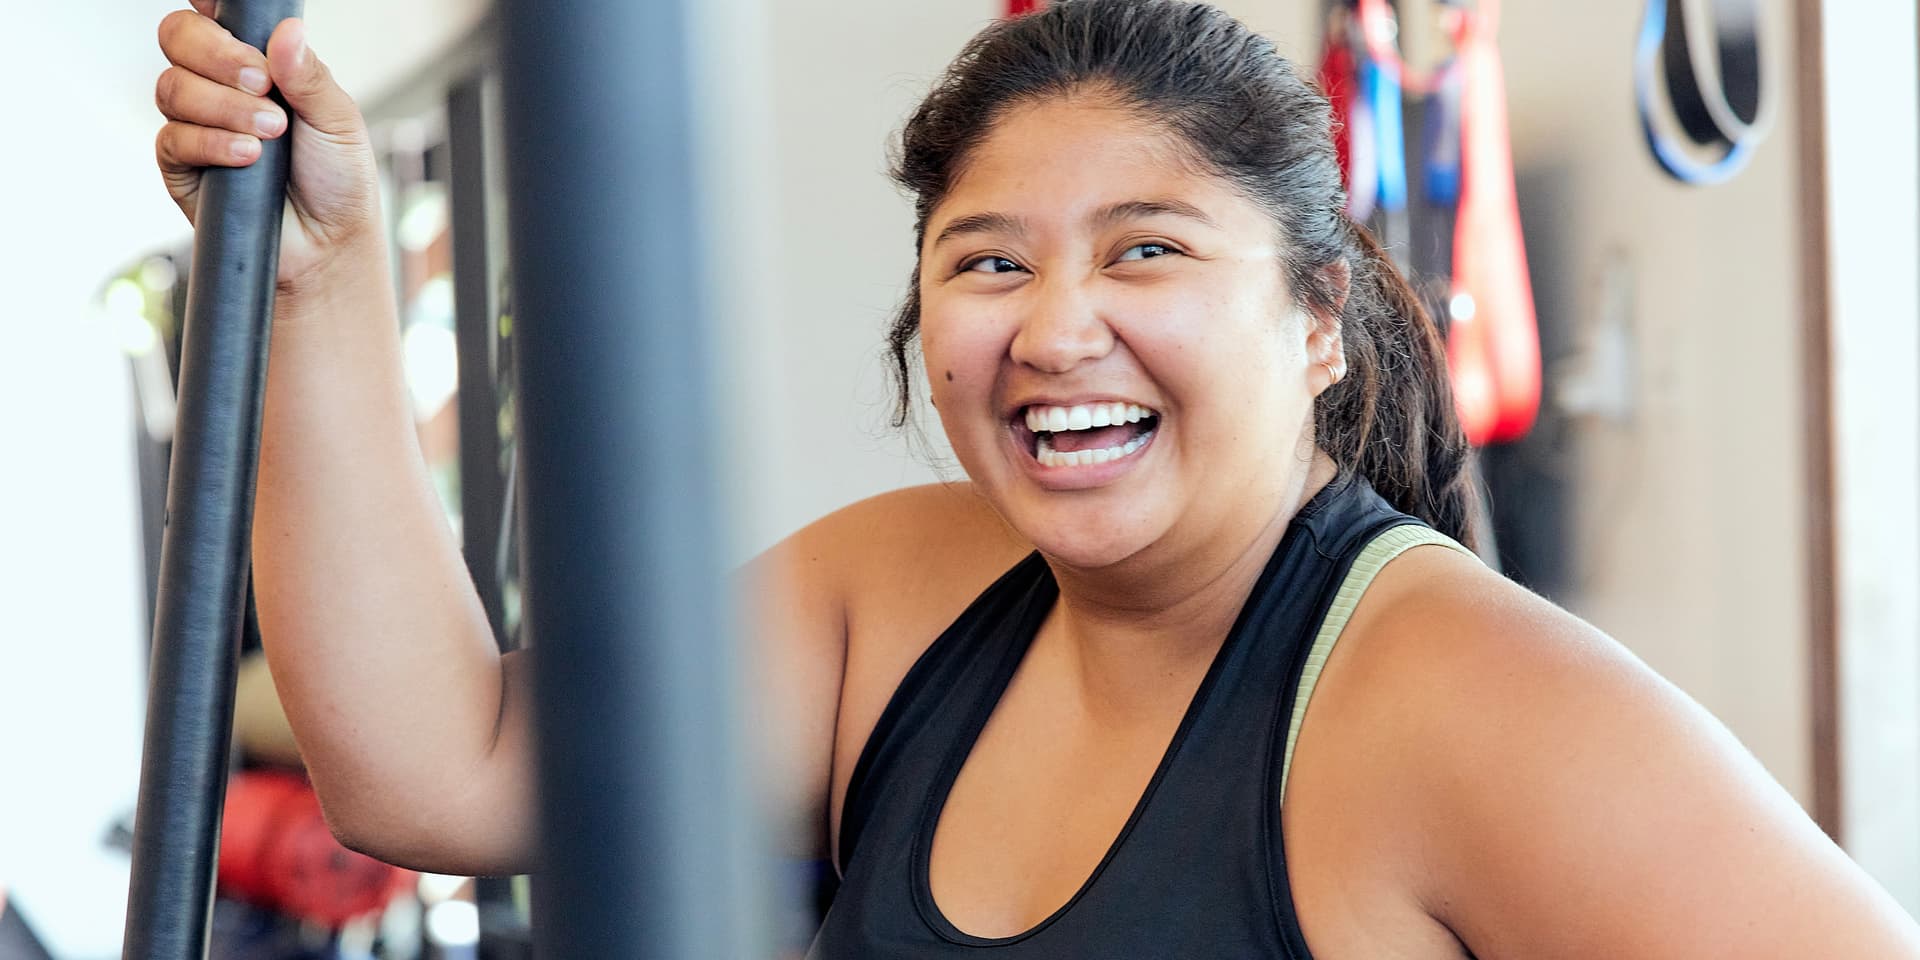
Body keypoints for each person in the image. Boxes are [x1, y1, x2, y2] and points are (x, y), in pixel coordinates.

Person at [152, 0, 1920, 955]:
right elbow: (429, 767)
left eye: (1145, 252)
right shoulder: (900, 596)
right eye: (989, 264)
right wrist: (323, 283)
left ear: (1319, 322)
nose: (1054, 327)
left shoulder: (1464, 699)